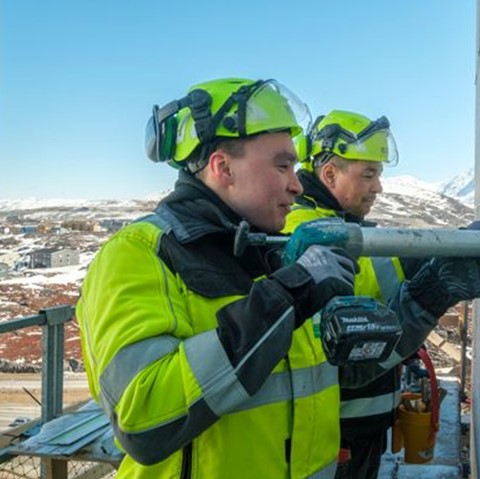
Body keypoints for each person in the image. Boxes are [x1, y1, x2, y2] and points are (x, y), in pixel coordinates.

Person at [77, 78, 359, 478]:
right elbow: (143, 420)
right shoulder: (140, 252)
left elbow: (307, 386)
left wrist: (426, 297)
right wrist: (286, 296)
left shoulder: (269, 254)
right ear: (223, 167)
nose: (297, 184)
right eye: (282, 165)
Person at [284, 110, 480, 478]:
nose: (378, 187)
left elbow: (395, 270)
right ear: (329, 173)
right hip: (333, 435)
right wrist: (435, 291)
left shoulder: (351, 232)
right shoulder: (310, 240)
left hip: (360, 430)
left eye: (379, 174)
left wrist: (460, 243)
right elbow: (347, 362)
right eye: (369, 174)